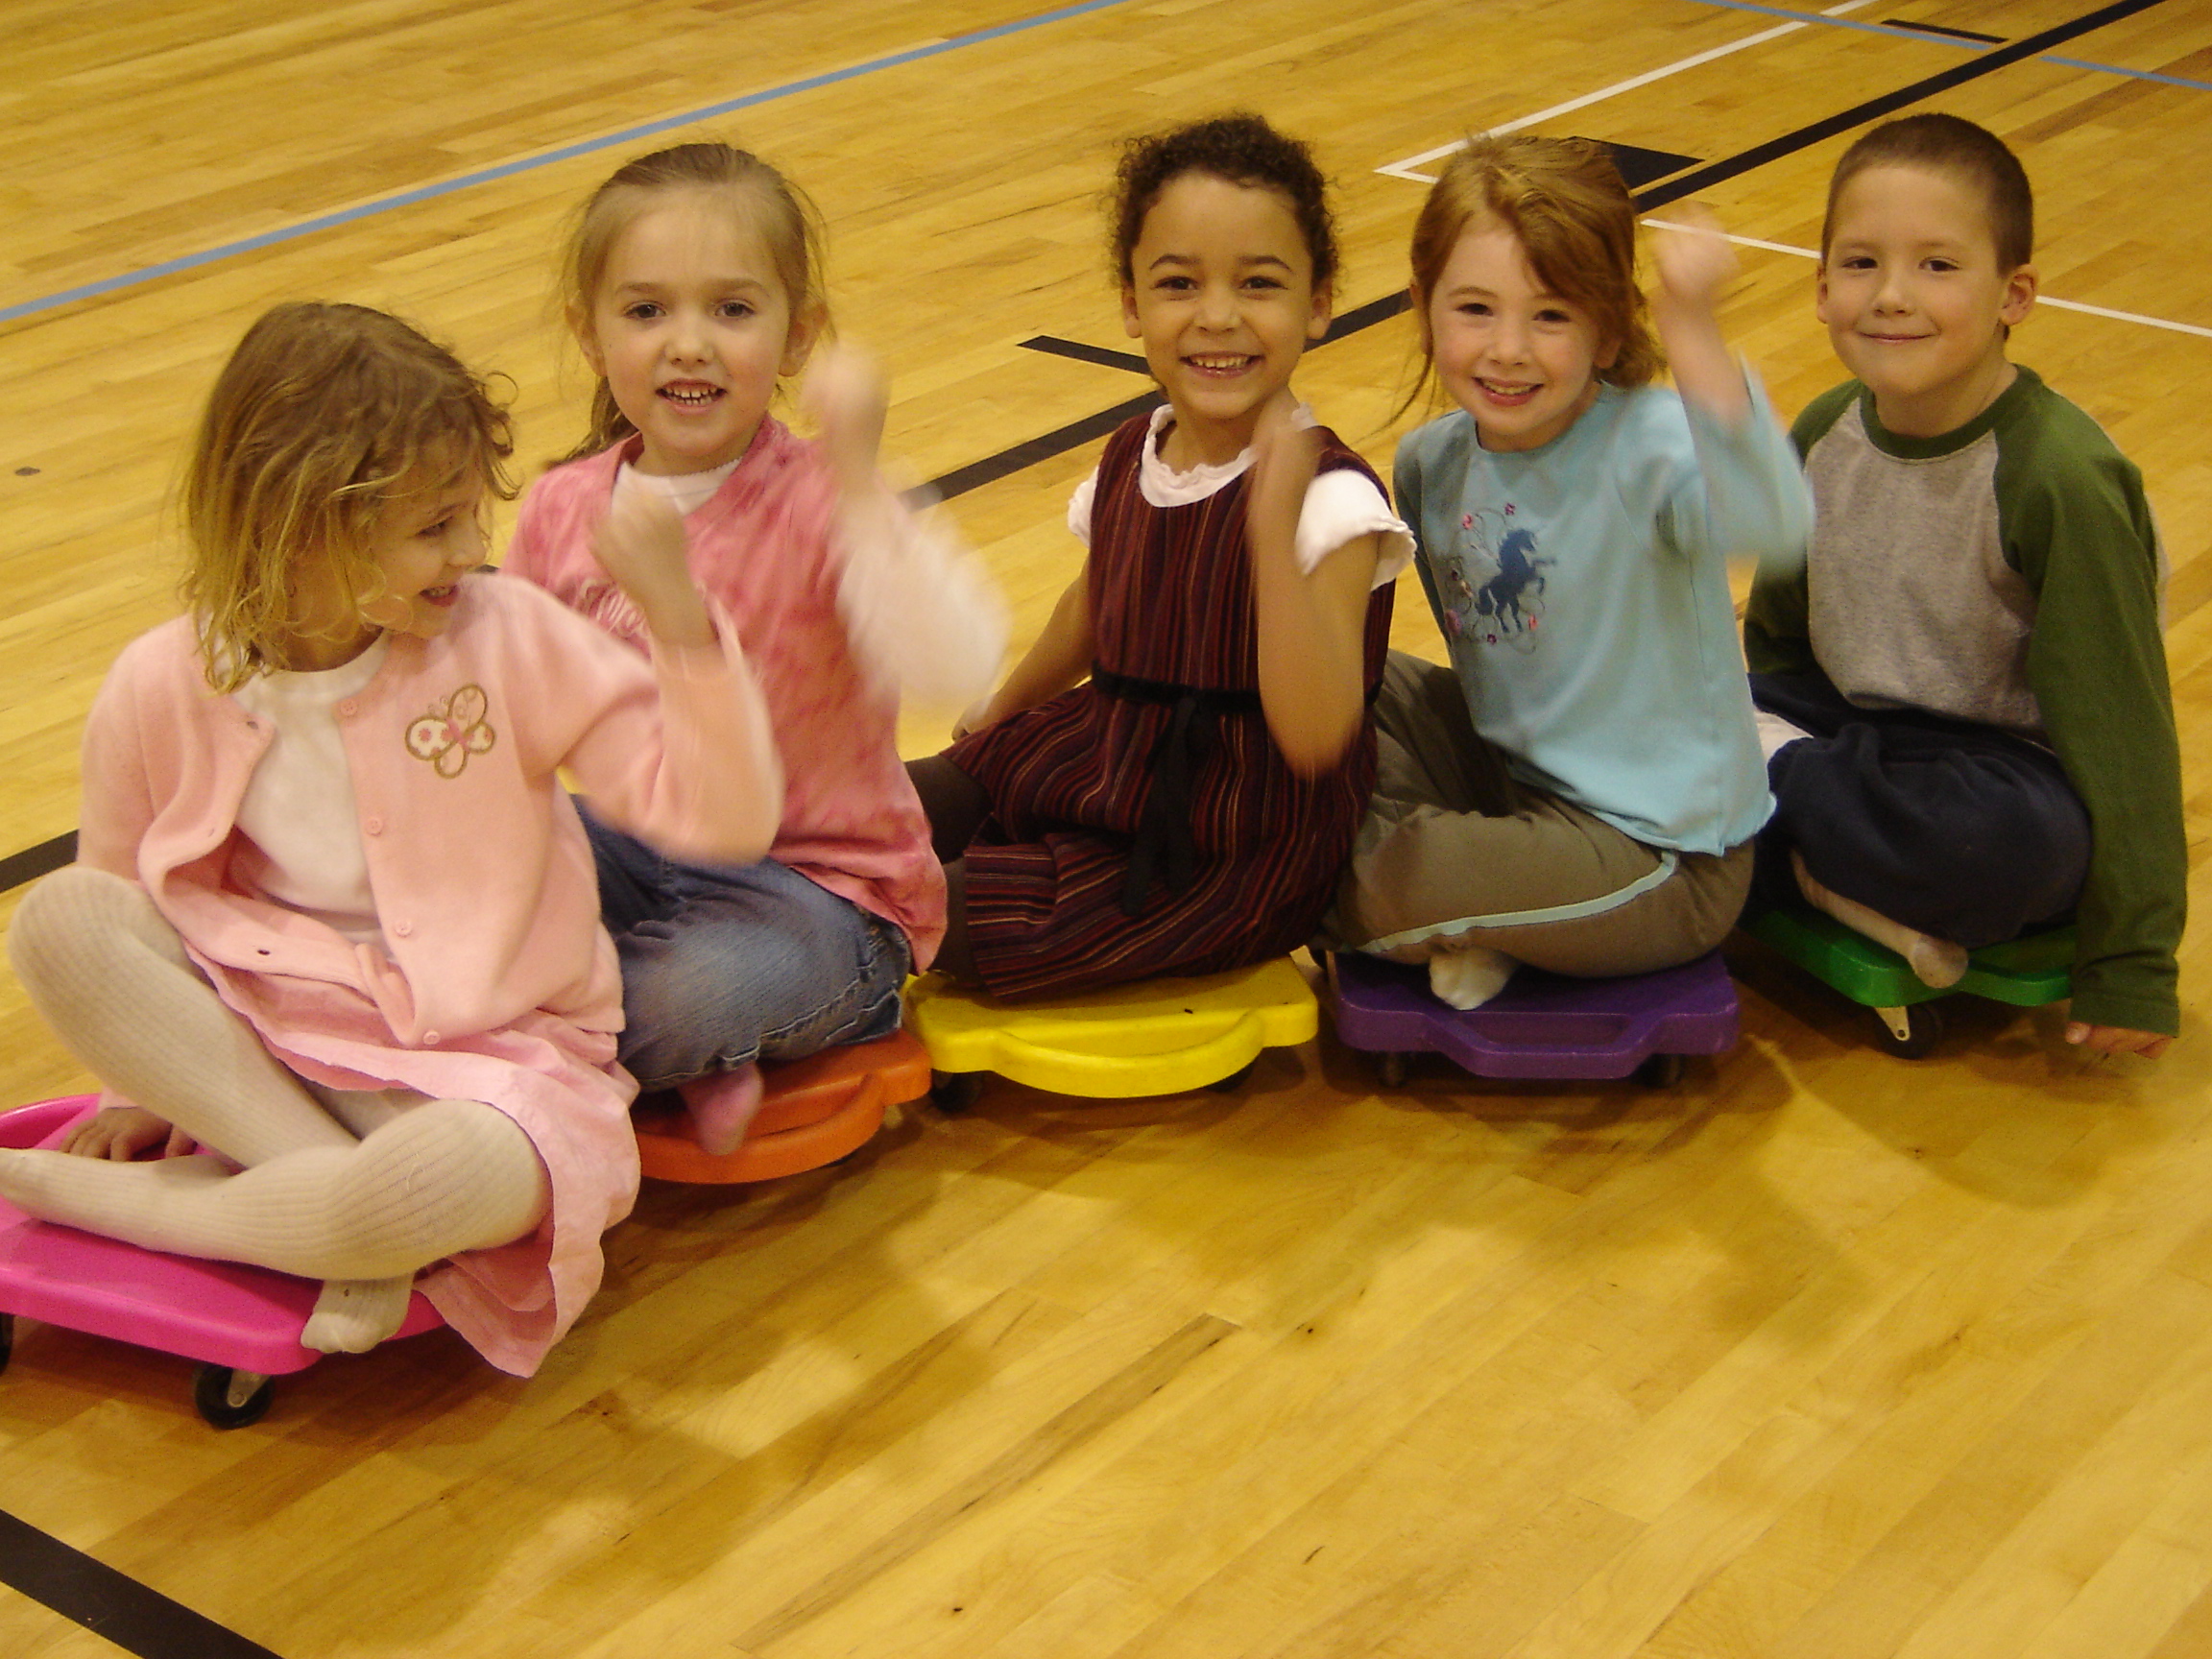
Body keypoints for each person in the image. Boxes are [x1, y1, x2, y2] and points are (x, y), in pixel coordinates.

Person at [0, 302, 782, 1374]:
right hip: (264, 1034)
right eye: (433, 527)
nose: (473, 549)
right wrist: (139, 1092)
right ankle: (334, 1216)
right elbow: (117, 890)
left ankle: (131, 1207)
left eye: (471, 516)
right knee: (58, 919)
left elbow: (724, 818)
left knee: (444, 1181)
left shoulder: (503, 636)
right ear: (300, 526)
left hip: (495, 1066)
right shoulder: (160, 678)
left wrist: (686, 636)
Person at [506, 141, 1004, 1153]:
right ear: (589, 331)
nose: (688, 344)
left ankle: (651, 1038)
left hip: (824, 899)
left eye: (731, 310)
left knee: (687, 996)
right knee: (458, 882)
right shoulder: (564, 508)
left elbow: (960, 664)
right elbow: (514, 717)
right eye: (646, 312)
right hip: (642, 853)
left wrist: (864, 486)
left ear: (797, 334)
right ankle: (659, 1055)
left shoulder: (827, 497)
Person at [904, 111, 1409, 998]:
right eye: (1179, 284)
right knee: (879, 808)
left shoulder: (1332, 499)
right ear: (1133, 304)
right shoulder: (1137, 446)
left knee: (932, 907)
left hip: (1226, 838)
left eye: (1259, 283)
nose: (1218, 317)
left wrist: (1269, 534)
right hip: (1107, 750)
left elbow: (1319, 734)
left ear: (1318, 302)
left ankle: (784, 969)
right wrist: (1007, 706)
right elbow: (1098, 602)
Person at [1325, 135, 1812, 1009]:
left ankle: (1486, 905)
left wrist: (1694, 325)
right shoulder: (1430, 461)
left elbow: (1775, 520)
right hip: (1519, 790)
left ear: (1610, 326)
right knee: (1345, 682)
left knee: (1331, 863)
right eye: (1475, 309)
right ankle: (1509, 915)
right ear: (1422, 306)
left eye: (1550, 316)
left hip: (1660, 855)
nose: (1508, 349)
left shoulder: (1651, 443)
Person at [1743, 112, 2182, 1058]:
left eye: (1938, 266)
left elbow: (2123, 730)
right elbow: (1778, 639)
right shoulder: (1823, 430)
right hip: (1843, 735)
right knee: (1642, 707)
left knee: (2012, 856)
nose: (1892, 296)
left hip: (1997, 776)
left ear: (2014, 294)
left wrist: (2132, 961)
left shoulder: (2059, 476)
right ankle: (1816, 856)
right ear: (1820, 290)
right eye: (1861, 264)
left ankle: (1776, 835)